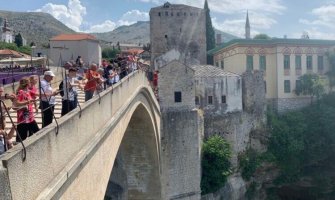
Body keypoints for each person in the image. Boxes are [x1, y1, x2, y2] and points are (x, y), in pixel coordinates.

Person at [14, 77, 39, 142]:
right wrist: (27, 102)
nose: (31, 83)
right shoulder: (20, 92)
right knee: (21, 140)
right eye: (30, 82)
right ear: (27, 84)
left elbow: (38, 94)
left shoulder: (28, 91)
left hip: (30, 118)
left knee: (38, 133)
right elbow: (16, 103)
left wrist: (51, 94)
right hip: (23, 119)